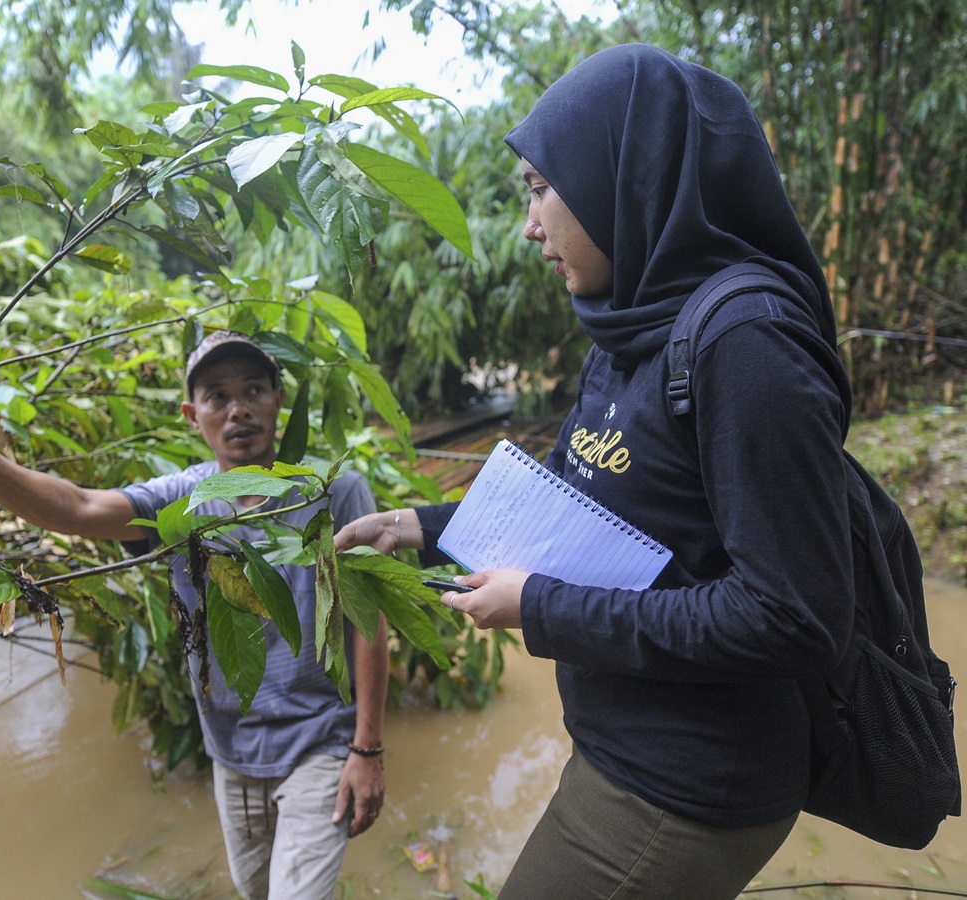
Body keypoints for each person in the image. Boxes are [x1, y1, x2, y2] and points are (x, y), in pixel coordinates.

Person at [334, 44, 856, 899]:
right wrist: (423, 527)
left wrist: (539, 606)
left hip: (686, 784)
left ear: (628, 171)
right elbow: (581, 489)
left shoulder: (746, 346)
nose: (530, 224)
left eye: (543, 186)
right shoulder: (631, 325)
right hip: (627, 747)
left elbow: (794, 619)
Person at [0, 330, 389, 900]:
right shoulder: (180, 501)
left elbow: (368, 624)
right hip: (230, 750)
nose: (239, 410)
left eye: (254, 390)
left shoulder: (336, 492)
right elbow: (81, 507)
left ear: (279, 398)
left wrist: (367, 748)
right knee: (257, 890)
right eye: (217, 396)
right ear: (192, 414)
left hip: (321, 743)